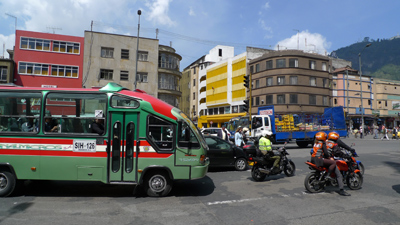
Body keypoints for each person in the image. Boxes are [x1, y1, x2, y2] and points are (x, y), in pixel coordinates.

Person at [310, 132, 350, 196]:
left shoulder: (317, 143)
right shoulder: (331, 144)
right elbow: (334, 152)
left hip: (314, 159)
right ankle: (341, 190)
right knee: (338, 174)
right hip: (322, 159)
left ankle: (327, 181)